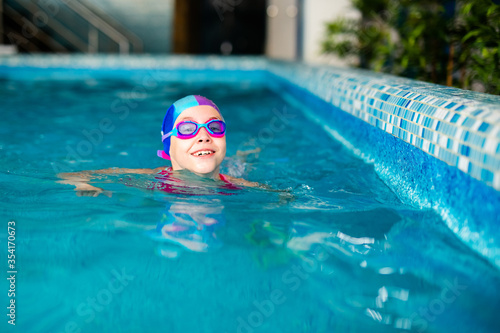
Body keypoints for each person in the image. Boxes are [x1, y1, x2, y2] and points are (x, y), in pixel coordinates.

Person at [58, 95, 259, 197]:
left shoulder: (237, 185)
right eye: (188, 128)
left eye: (214, 126)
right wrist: (86, 185)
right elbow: (68, 176)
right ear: (169, 146)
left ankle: (245, 154)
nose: (204, 136)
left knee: (240, 163)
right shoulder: (153, 179)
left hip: (232, 171)